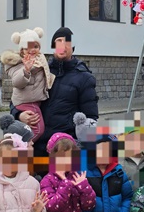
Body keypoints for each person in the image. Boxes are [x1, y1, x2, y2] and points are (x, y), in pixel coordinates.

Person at [16, 27, 98, 166]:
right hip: (37, 146)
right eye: (58, 41)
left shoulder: (84, 78)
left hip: (63, 150)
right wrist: (19, 115)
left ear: (73, 47)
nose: (62, 46)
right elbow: (19, 97)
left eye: (67, 42)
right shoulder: (39, 70)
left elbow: (90, 119)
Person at [1, 27, 54, 142]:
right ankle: (19, 146)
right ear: (21, 50)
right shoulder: (17, 63)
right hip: (27, 102)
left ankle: (15, 141)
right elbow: (17, 82)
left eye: (35, 46)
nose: (32, 50)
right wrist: (26, 70)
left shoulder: (41, 60)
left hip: (34, 101)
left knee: (28, 129)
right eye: (28, 48)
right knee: (38, 130)